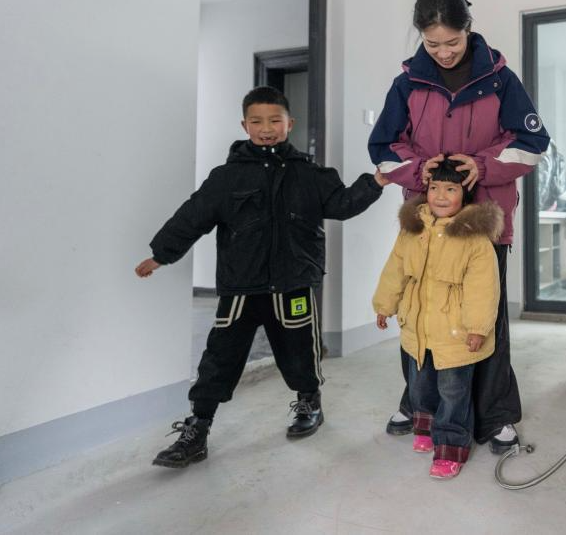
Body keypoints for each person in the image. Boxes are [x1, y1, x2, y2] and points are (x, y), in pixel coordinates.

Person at [135, 86, 387, 468]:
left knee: (300, 350)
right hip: (241, 285)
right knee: (220, 357)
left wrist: (375, 183)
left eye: (274, 120)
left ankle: (309, 402)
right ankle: (198, 427)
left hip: (292, 282)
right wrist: (161, 255)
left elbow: (341, 204)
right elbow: (192, 216)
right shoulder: (226, 177)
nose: (266, 129)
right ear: (244, 126)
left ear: (290, 123)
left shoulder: (310, 174)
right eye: (256, 121)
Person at [368, 0, 550, 453]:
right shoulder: (407, 84)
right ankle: (418, 405)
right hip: (425, 223)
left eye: (452, 42)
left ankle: (495, 416)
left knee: (482, 317)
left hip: (483, 222)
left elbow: (532, 143)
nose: (444, 52)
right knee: (420, 313)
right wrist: (418, 169)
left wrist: (482, 164)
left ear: (468, 29)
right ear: (421, 38)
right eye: (433, 45)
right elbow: (383, 146)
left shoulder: (501, 79)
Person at [373, 159, 502, 478]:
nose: (441, 196)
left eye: (450, 189)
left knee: (453, 391)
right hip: (418, 327)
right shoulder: (413, 230)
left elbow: (483, 288)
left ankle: (451, 445)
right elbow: (395, 269)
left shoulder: (474, 238)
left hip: (455, 331)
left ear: (465, 193)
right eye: (434, 188)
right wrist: (385, 304)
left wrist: (477, 328)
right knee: (420, 385)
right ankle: (426, 427)